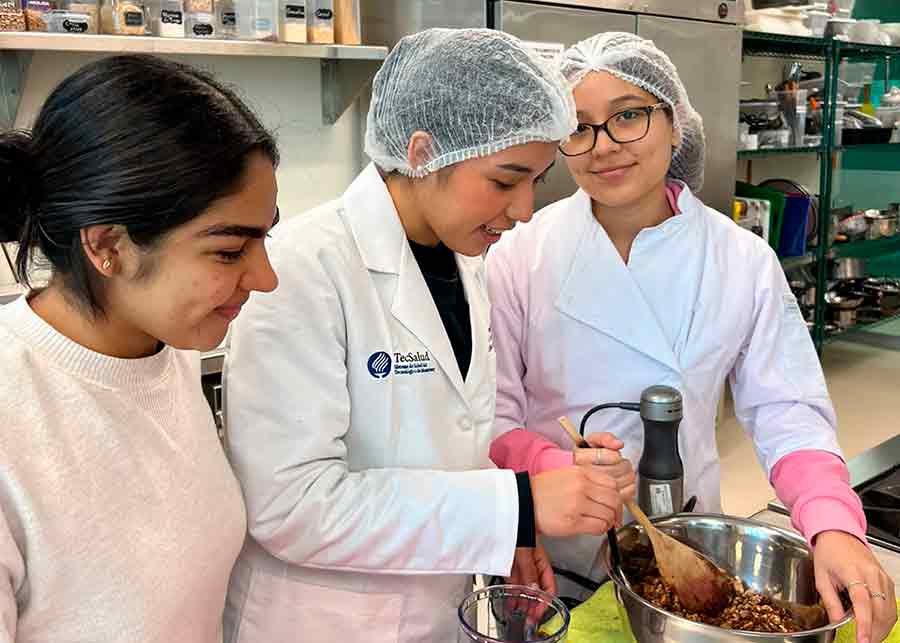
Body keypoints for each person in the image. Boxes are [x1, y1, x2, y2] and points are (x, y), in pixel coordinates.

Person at [487, 32, 897, 643]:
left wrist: (833, 525)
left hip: (686, 543)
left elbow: (788, 411)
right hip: (548, 552)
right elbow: (488, 412)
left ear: (675, 124)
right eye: (579, 126)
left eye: (629, 116)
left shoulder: (739, 260)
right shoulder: (520, 252)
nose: (604, 148)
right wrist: (550, 468)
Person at [223, 27, 629, 643]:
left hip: (435, 608)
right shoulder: (303, 270)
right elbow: (292, 507)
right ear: (420, 152)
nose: (522, 210)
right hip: (323, 622)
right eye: (504, 179)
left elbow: (456, 430)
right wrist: (514, 506)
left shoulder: (466, 260)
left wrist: (505, 535)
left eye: (536, 182)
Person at [0, 55, 279, 642]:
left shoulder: (164, 350)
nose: (266, 276)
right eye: (230, 250)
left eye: (264, 237)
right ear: (109, 247)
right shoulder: (14, 411)